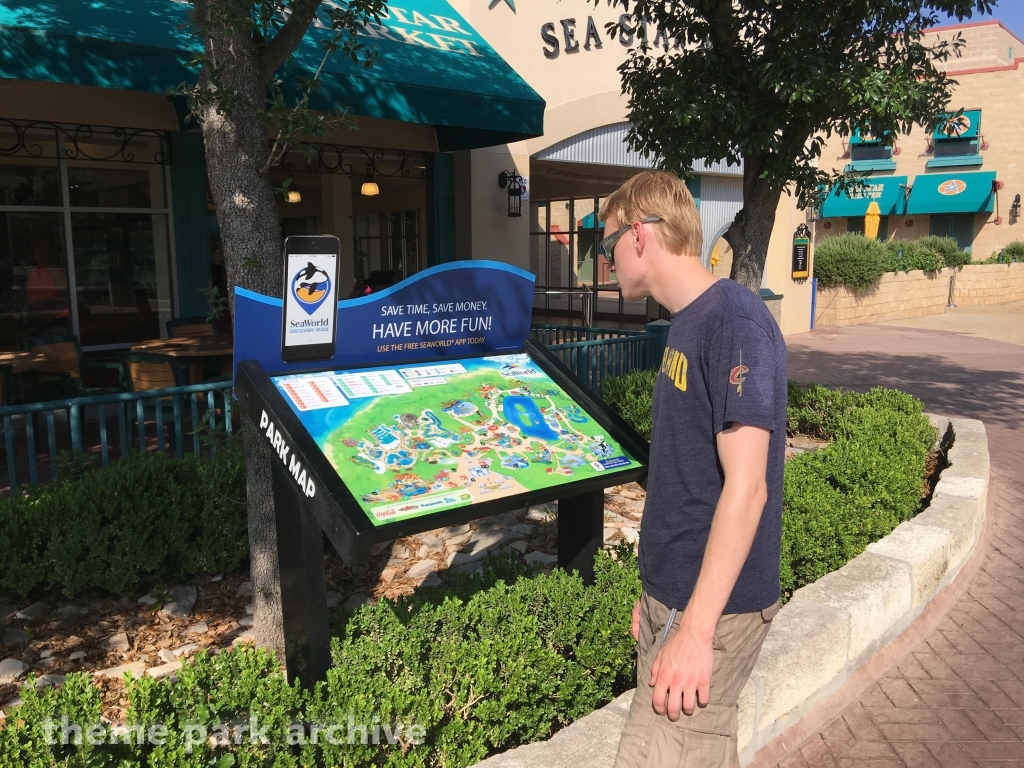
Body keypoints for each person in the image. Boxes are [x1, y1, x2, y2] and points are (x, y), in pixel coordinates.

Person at [601, 171, 787, 768]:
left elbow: (748, 488)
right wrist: (658, 592)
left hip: (713, 613)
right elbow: (687, 474)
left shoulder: (733, 321)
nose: (605, 261)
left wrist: (696, 629)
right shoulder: (689, 320)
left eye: (607, 245)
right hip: (677, 599)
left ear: (638, 235)